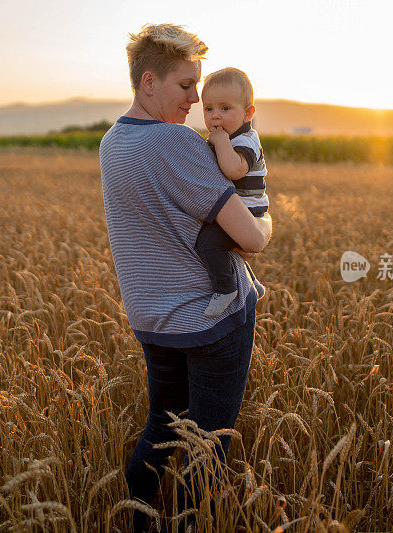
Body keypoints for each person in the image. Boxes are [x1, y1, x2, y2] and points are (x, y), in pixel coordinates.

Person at [98, 23, 273, 532]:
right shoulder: (177, 145)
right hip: (211, 321)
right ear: (148, 82)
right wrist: (266, 217)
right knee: (207, 444)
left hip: (152, 319)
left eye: (198, 87)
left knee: (161, 426)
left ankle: (139, 521)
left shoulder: (112, 143)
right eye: (185, 85)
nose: (196, 100)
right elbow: (253, 240)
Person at [197, 67, 269, 317]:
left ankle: (226, 288)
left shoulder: (245, 139)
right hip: (237, 204)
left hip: (248, 208)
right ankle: (251, 282)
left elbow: (233, 169)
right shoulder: (228, 136)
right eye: (209, 109)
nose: (215, 116)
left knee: (208, 243)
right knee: (224, 245)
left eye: (225, 109)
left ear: (248, 114)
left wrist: (219, 142)